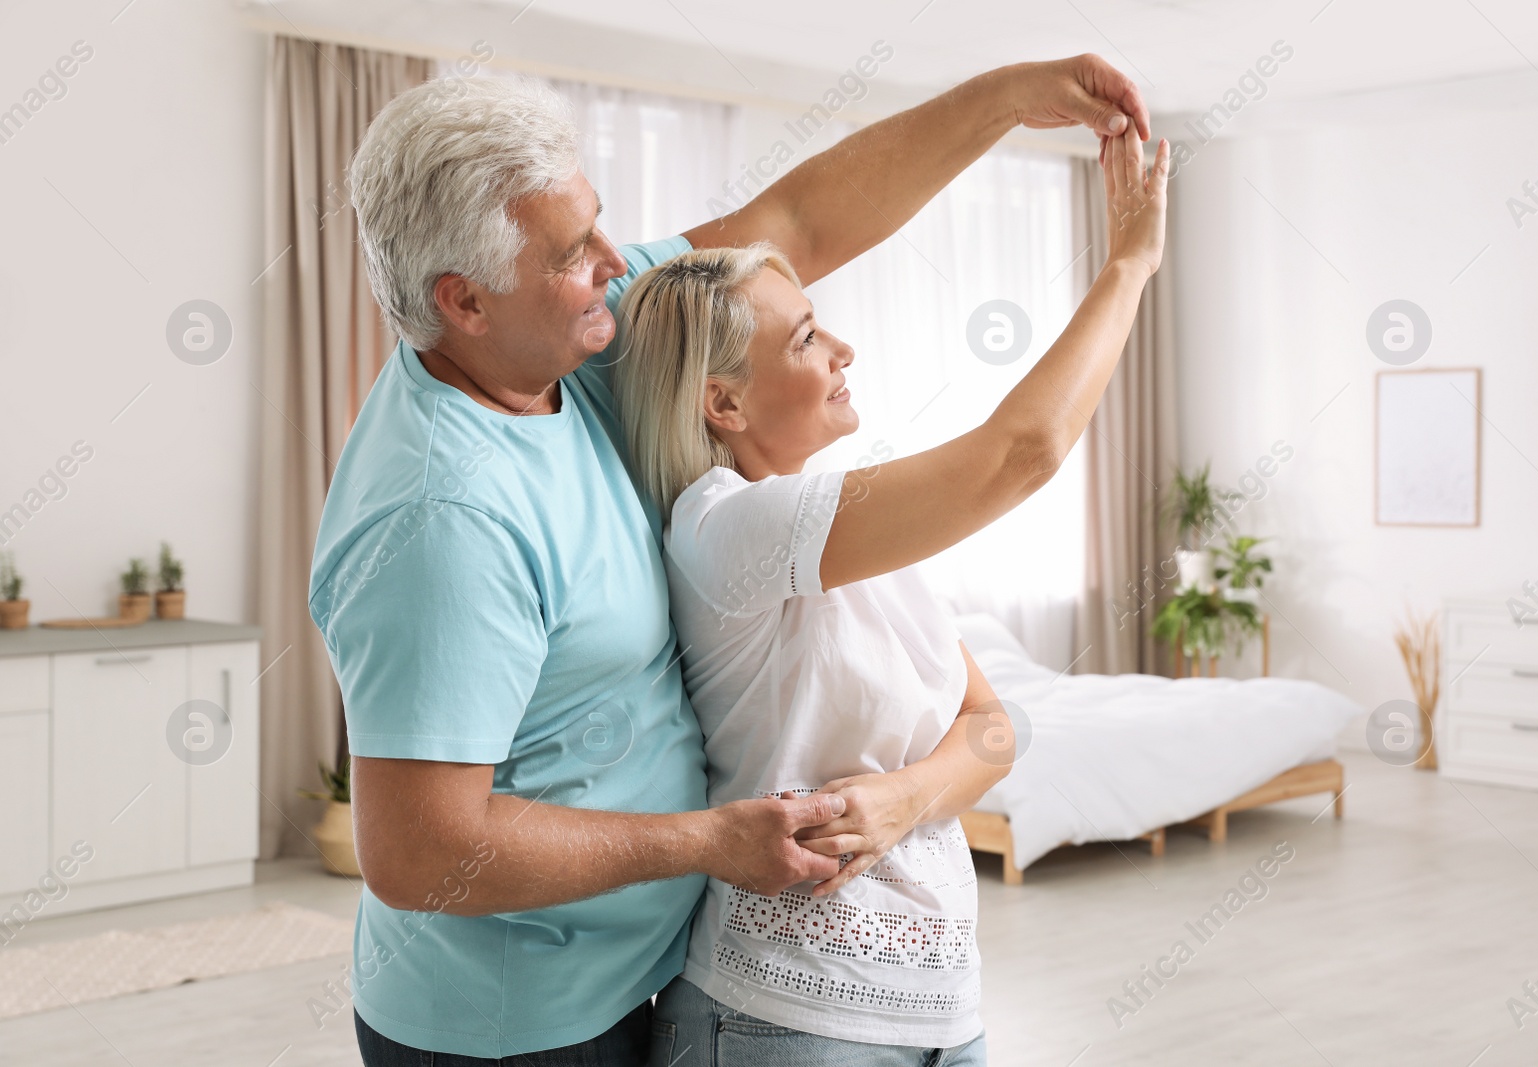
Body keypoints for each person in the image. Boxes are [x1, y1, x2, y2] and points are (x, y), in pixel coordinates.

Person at [308, 59, 1150, 1065]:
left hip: (650, 975)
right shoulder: (442, 515)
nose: (615, 260)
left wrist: (1009, 99)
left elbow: (791, 222)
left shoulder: (575, 338)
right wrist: (704, 840)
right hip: (511, 1025)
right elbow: (418, 852)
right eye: (575, 252)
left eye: (598, 221)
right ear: (466, 301)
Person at [611, 125, 1168, 1066]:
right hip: (780, 1017)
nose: (844, 348)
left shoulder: (861, 541)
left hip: (946, 1011)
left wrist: (907, 797)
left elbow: (995, 726)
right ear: (723, 405)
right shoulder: (721, 526)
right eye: (806, 337)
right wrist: (1130, 265)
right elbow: (1020, 454)